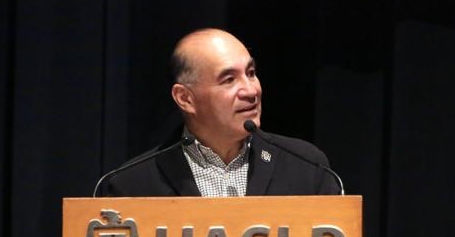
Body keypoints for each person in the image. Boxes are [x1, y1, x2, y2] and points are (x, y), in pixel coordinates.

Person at [100, 28, 341, 198]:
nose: (250, 90)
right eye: (228, 80)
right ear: (185, 98)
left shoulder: (307, 165)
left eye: (251, 72)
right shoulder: (132, 185)